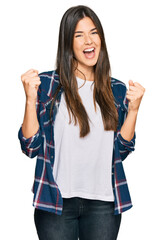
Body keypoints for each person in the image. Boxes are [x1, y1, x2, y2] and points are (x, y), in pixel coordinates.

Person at [18, 5, 145, 240]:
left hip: (103, 205)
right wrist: (29, 99)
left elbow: (122, 150)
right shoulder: (47, 85)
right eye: (79, 35)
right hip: (56, 202)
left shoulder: (115, 89)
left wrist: (134, 109)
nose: (89, 40)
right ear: (68, 43)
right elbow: (30, 146)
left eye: (94, 32)